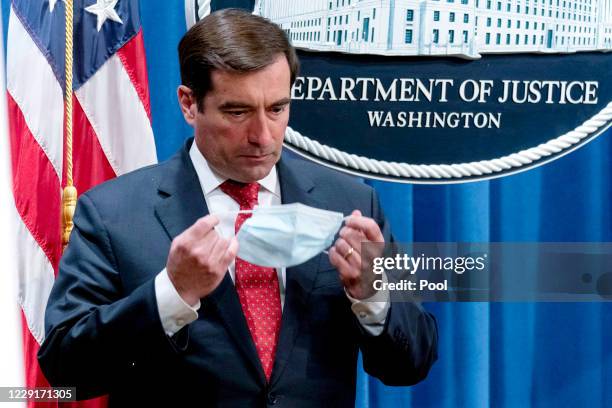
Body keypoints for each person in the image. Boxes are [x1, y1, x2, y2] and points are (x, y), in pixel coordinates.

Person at [38, 8, 438, 407]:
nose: (263, 136)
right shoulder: (113, 215)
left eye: (277, 109)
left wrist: (373, 295)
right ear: (189, 104)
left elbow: (412, 362)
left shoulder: (349, 202)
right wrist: (171, 293)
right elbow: (64, 367)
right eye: (238, 112)